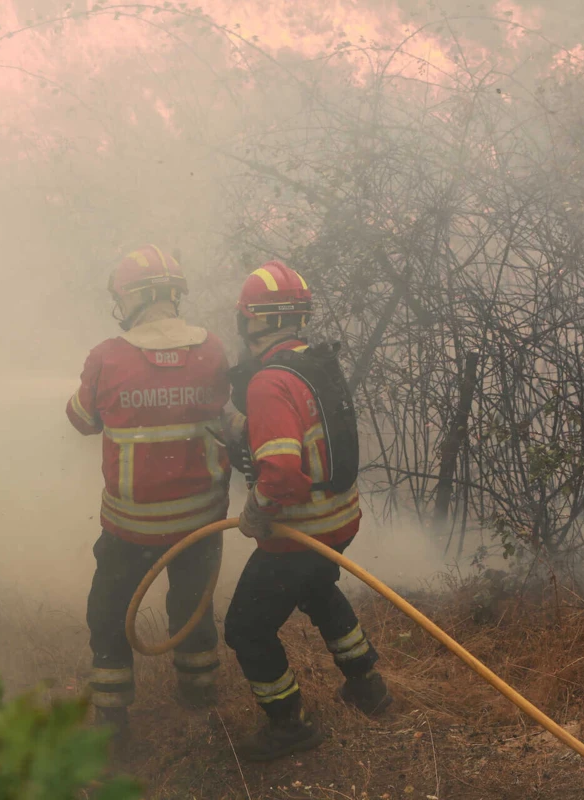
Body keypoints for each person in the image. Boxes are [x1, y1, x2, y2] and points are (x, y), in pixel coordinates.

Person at [221, 259, 393, 763]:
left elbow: (279, 475)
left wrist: (255, 511)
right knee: (319, 590)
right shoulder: (317, 362)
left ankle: (287, 725)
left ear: (254, 319)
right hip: (339, 523)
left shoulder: (268, 381)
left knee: (246, 629)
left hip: (298, 534)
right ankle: (367, 687)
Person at [66, 245, 232, 750]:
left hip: (130, 529)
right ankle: (201, 697)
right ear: (175, 294)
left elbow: (80, 420)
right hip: (200, 523)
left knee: (109, 611)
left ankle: (114, 723)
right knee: (192, 607)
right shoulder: (213, 351)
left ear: (129, 299)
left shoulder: (107, 357)